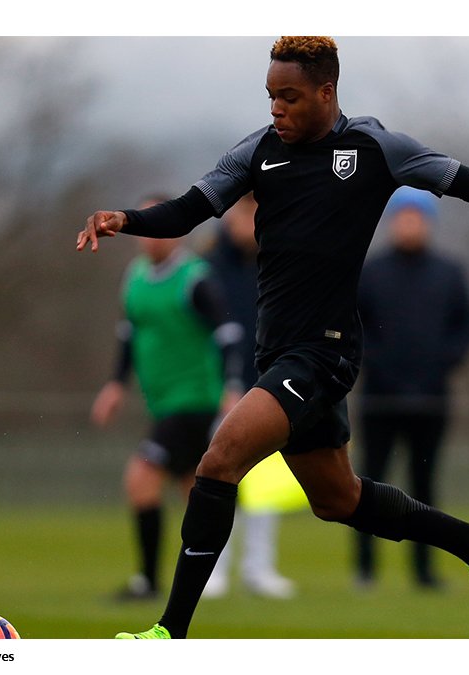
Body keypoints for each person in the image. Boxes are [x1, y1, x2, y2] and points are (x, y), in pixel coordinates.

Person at [78, 36, 469, 639]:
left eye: (290, 96)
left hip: (322, 353)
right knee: (338, 500)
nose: (277, 108)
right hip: (277, 352)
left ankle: (170, 633)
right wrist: (127, 219)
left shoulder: (377, 148)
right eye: (271, 95)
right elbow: (189, 210)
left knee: (218, 460)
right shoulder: (256, 152)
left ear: (326, 93)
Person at [89, 195, 246, 601]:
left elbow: (228, 333)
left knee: (141, 478)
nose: (150, 237)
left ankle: (149, 581)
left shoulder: (196, 278)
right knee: (195, 489)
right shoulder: (136, 276)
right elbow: (129, 332)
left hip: (194, 400)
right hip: (163, 401)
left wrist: (231, 385)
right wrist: (115, 384)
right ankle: (209, 573)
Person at [354, 187, 469, 590]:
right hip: (379, 398)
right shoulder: (370, 272)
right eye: (403, 217)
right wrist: (381, 367)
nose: (410, 225)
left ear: (428, 223)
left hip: (431, 397)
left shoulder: (449, 272)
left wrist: (440, 364)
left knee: (424, 486)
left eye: (417, 218)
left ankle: (424, 572)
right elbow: (354, 330)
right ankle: (366, 571)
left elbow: (467, 327)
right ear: (392, 222)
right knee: (368, 484)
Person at [201, 192, 304, 600]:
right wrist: (220, 384)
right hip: (220, 392)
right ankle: (213, 568)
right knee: (216, 481)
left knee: (263, 485)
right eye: (242, 212)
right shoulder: (207, 267)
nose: (245, 221)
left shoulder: (279, 262)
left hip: (269, 387)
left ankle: (259, 568)